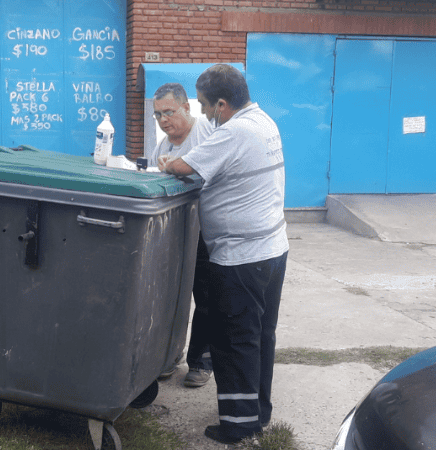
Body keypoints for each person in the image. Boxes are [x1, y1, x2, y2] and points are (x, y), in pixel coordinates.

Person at [158, 64, 289, 445]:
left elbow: (183, 166)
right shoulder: (264, 122)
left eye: (202, 105)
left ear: (221, 102)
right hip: (272, 250)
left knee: (234, 342)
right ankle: (258, 413)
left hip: (241, 258)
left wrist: (167, 163)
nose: (202, 113)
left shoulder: (234, 131)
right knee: (260, 336)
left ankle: (238, 425)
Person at [149, 83, 215, 388]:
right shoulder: (162, 147)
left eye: (169, 112)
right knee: (169, 296)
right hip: (174, 232)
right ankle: (168, 356)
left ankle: (200, 362)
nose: (163, 119)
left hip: (206, 229)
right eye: (158, 114)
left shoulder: (206, 133)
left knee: (205, 296)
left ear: (186, 107)